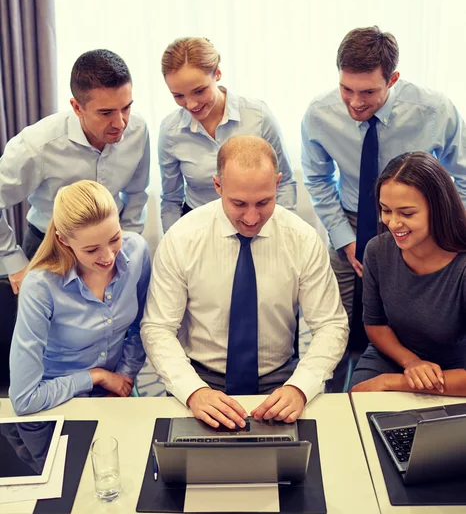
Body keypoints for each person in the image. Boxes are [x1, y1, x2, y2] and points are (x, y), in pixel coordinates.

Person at [141, 136, 348, 429]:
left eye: (263, 202)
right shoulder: (182, 238)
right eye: (238, 203)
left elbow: (331, 324)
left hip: (281, 379)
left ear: (278, 184)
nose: (252, 218)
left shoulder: (302, 239)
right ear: (217, 186)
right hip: (199, 377)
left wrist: (300, 386)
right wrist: (193, 391)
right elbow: (158, 327)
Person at [301, 26, 466, 324]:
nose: (355, 102)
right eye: (346, 89)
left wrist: (444, 228)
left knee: (410, 320)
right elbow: (317, 179)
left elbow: (464, 177)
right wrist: (344, 238)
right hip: (351, 221)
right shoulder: (319, 114)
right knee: (334, 321)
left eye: (368, 92)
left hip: (421, 224)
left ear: (392, 80)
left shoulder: (434, 111)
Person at [0, 49, 150, 295]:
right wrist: (13, 262)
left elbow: (136, 193)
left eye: (126, 108)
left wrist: (125, 246)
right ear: (77, 107)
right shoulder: (36, 145)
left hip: (109, 248)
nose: (121, 123)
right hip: (51, 250)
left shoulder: (138, 129)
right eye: (106, 112)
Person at [9, 180, 151, 415]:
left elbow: (141, 327)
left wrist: (123, 376)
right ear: (64, 240)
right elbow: (25, 399)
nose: (108, 257)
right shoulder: (40, 286)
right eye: (91, 249)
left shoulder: (136, 251)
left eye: (114, 239)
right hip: (56, 398)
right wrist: (95, 377)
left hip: (117, 387)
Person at [350, 152, 466, 396]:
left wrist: (393, 382)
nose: (392, 223)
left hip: (457, 369)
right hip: (393, 355)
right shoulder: (378, 250)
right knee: (356, 401)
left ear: (439, 209)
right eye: (386, 210)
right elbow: (375, 324)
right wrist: (411, 363)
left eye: (407, 213)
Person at [158, 37, 297, 232]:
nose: (191, 104)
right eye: (178, 96)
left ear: (217, 74)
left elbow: (285, 184)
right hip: (199, 228)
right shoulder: (170, 131)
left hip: (258, 223)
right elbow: (171, 200)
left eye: (199, 91)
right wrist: (173, 244)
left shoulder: (258, 116)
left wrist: (281, 232)